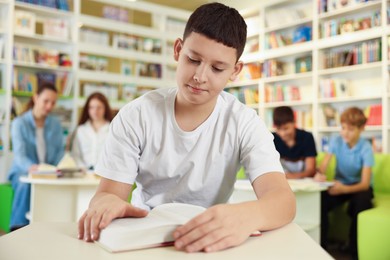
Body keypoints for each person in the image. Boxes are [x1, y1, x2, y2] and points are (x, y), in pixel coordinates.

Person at [78, 2, 295, 253]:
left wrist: (246, 216)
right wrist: (107, 203)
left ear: (235, 71)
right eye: (193, 59)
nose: (200, 76)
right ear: (178, 50)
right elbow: (108, 195)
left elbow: (283, 201)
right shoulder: (136, 115)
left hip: (212, 238)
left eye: (217, 68)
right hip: (143, 237)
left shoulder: (244, 122)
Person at [315, 107, 374, 259]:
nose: (345, 133)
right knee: (320, 201)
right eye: (343, 128)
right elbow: (323, 167)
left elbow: (365, 184)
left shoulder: (366, 148)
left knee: (361, 204)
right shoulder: (336, 141)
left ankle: (354, 250)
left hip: (359, 187)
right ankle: (320, 247)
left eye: (351, 129)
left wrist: (343, 189)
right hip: (340, 185)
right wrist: (319, 174)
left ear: (361, 129)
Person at [8, 82, 64, 231]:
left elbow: (60, 151)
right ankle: (18, 228)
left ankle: (51, 227)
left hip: (49, 171)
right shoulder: (19, 123)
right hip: (23, 170)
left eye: (53, 102)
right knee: (25, 184)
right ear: (35, 98)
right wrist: (33, 168)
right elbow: (20, 156)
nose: (49, 106)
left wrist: (57, 168)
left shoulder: (55, 124)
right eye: (46, 101)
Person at [70, 92, 112, 170]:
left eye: (99, 107)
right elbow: (75, 155)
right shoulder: (80, 130)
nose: (95, 111)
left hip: (105, 174)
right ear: (87, 109)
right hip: (84, 174)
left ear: (105, 108)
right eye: (91, 107)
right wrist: (82, 168)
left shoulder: (112, 130)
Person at [272, 106, 317, 179]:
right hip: (280, 182)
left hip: (303, 184)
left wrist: (292, 176)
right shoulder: (272, 139)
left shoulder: (307, 137)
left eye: (286, 128)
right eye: (278, 129)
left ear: (294, 122)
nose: (282, 133)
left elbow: (311, 170)